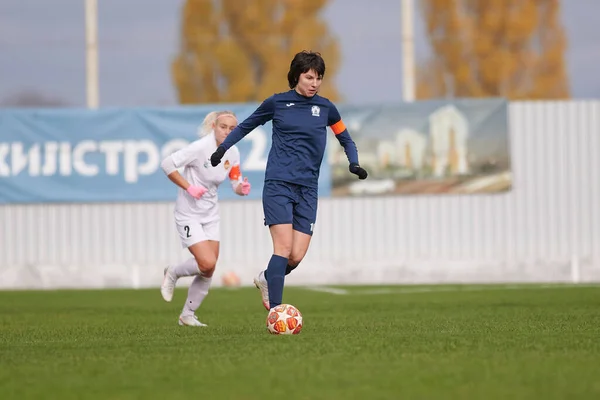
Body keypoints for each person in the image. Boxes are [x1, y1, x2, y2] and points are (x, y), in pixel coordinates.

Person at [209, 51, 368, 311]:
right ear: (296, 76)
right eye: (309, 77)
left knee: (295, 256)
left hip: (308, 189)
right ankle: (276, 312)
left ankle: (265, 279)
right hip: (279, 184)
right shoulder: (277, 103)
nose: (314, 83)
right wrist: (222, 148)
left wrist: (354, 163)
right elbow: (246, 126)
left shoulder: (326, 108)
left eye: (319, 78)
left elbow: (345, 138)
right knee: (282, 248)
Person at [159, 110, 251, 327]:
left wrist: (241, 188)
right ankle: (173, 272)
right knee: (206, 261)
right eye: (223, 127)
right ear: (214, 127)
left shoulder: (233, 152)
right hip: (188, 213)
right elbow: (167, 164)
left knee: (209, 268)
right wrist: (189, 187)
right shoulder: (200, 148)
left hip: (211, 215)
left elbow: (235, 181)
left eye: (232, 128)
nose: (227, 132)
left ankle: (187, 315)